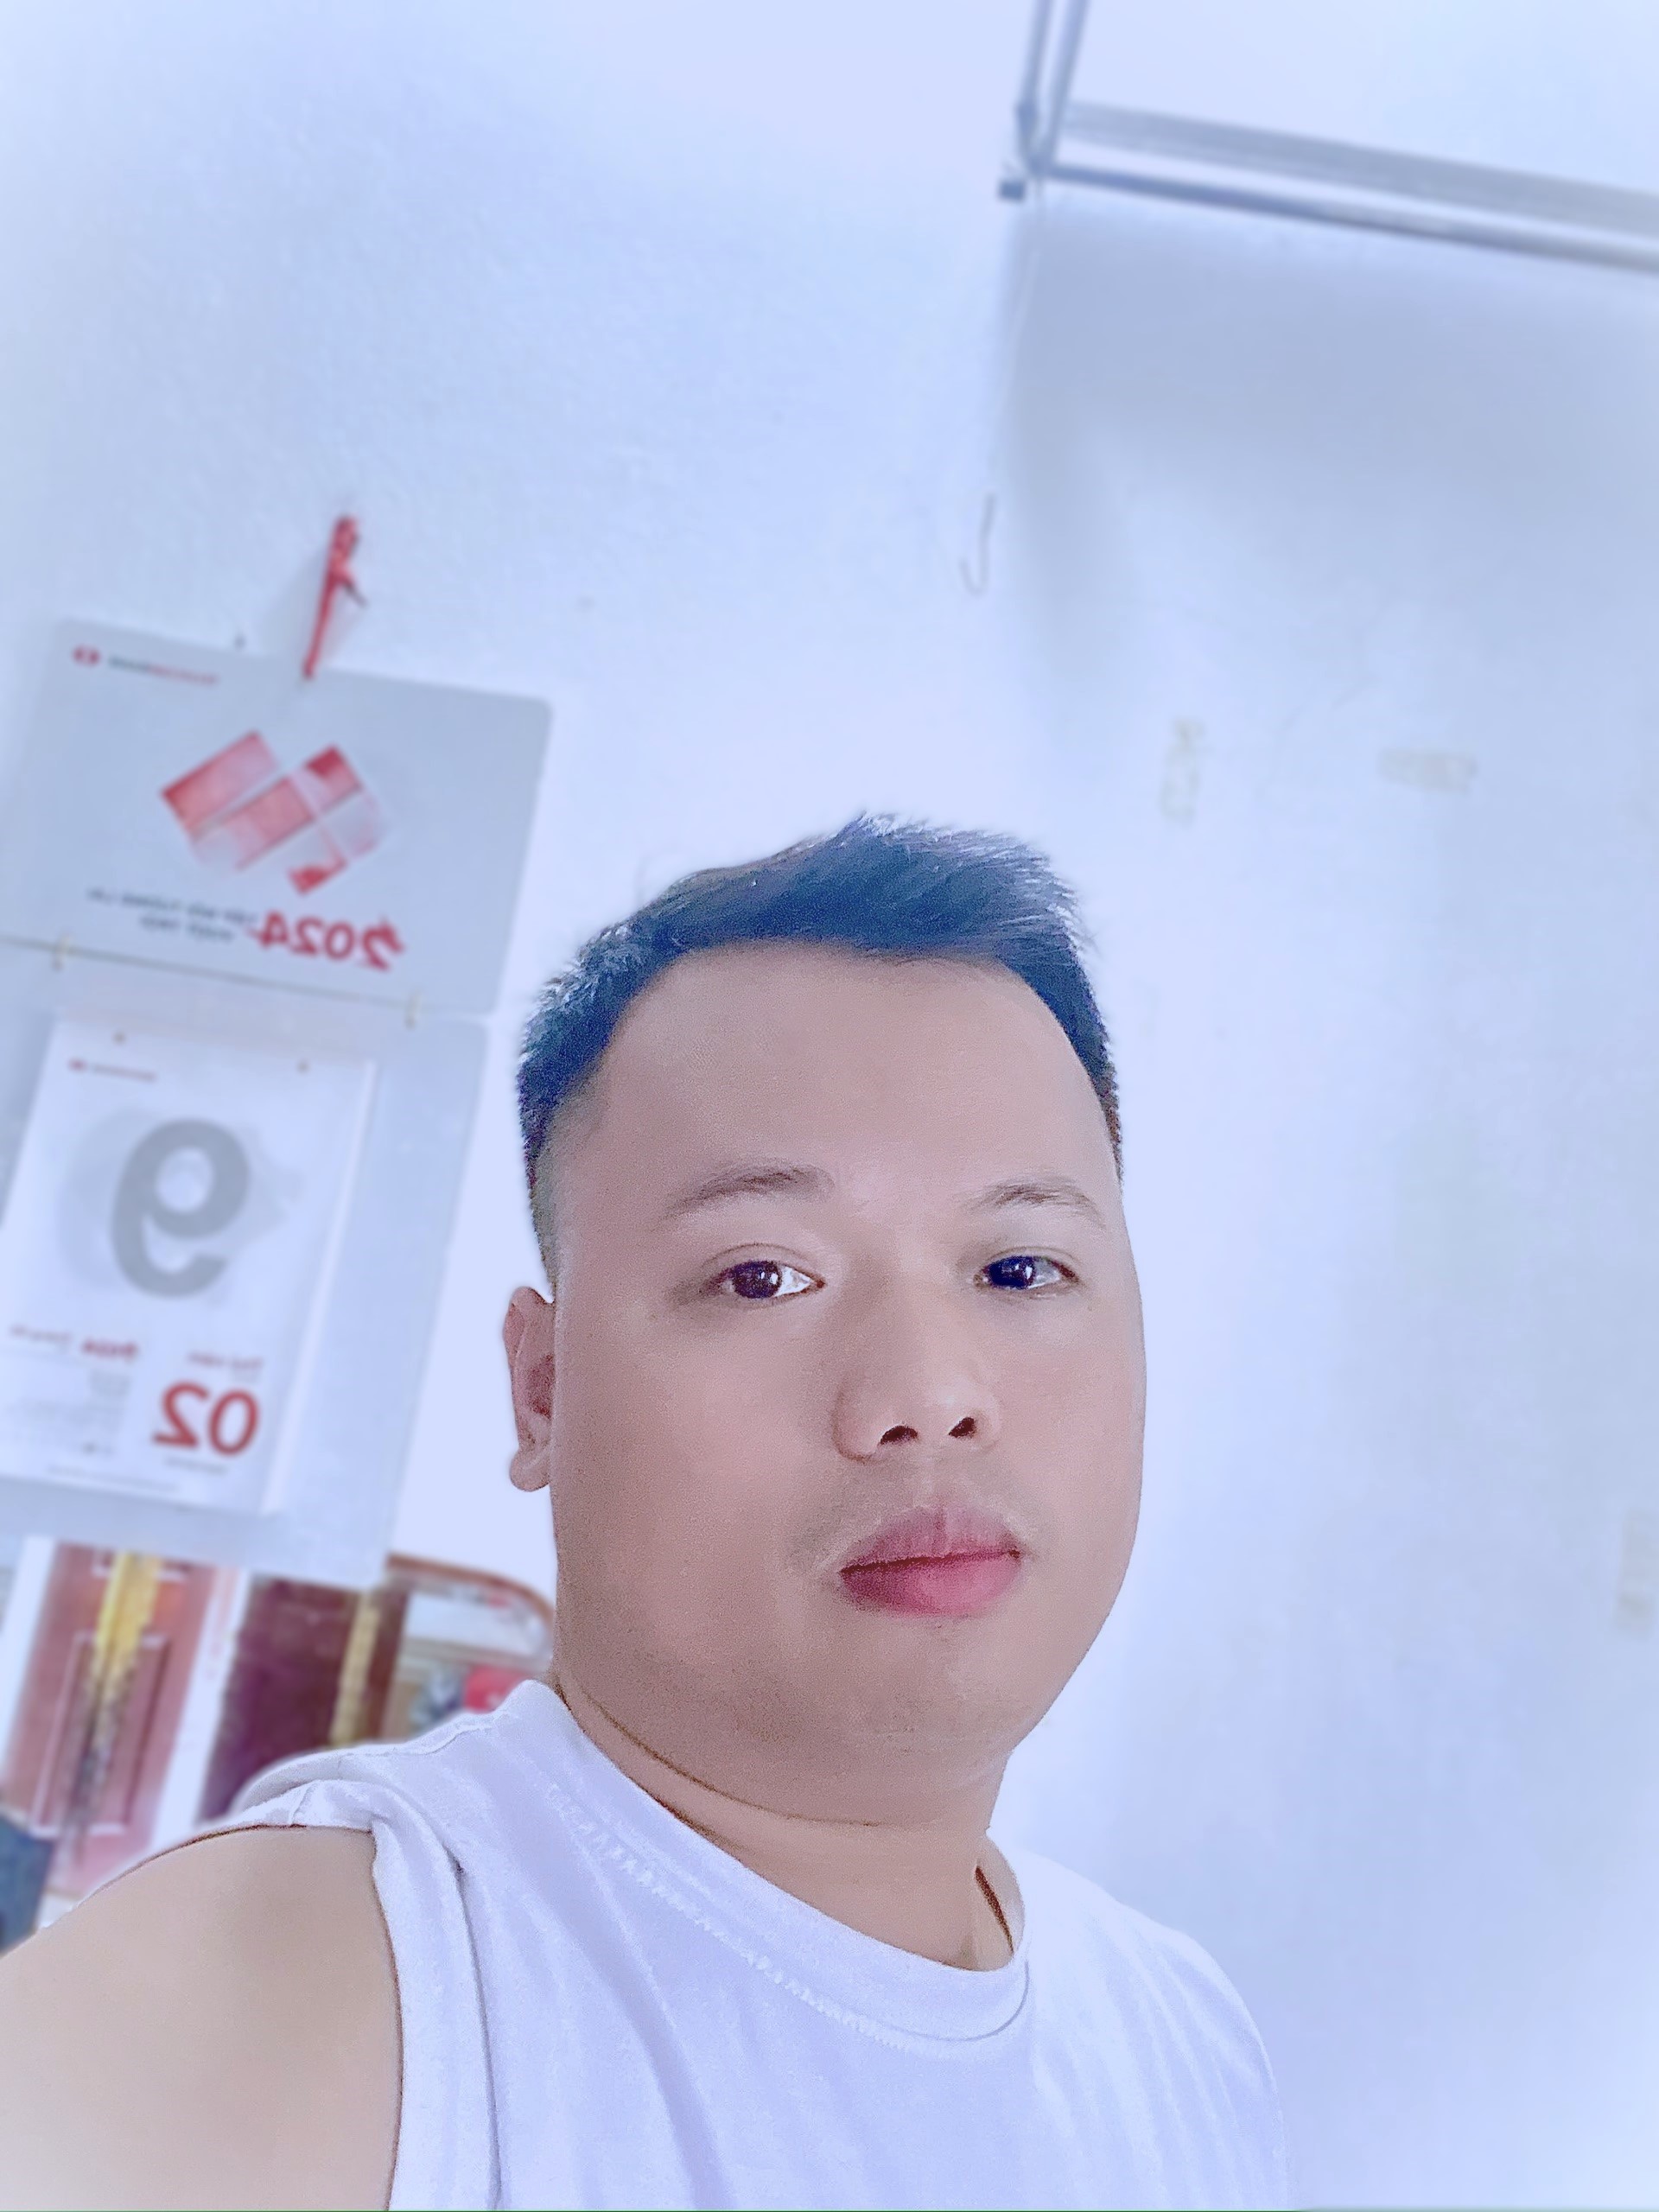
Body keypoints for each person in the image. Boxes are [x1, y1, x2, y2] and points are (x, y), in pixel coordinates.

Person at [0, 817, 1287, 2210]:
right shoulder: (287, 2004)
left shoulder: (1182, 2042)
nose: (928, 1394)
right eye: (762, 1278)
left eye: (1021, 1268)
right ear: (542, 1390)